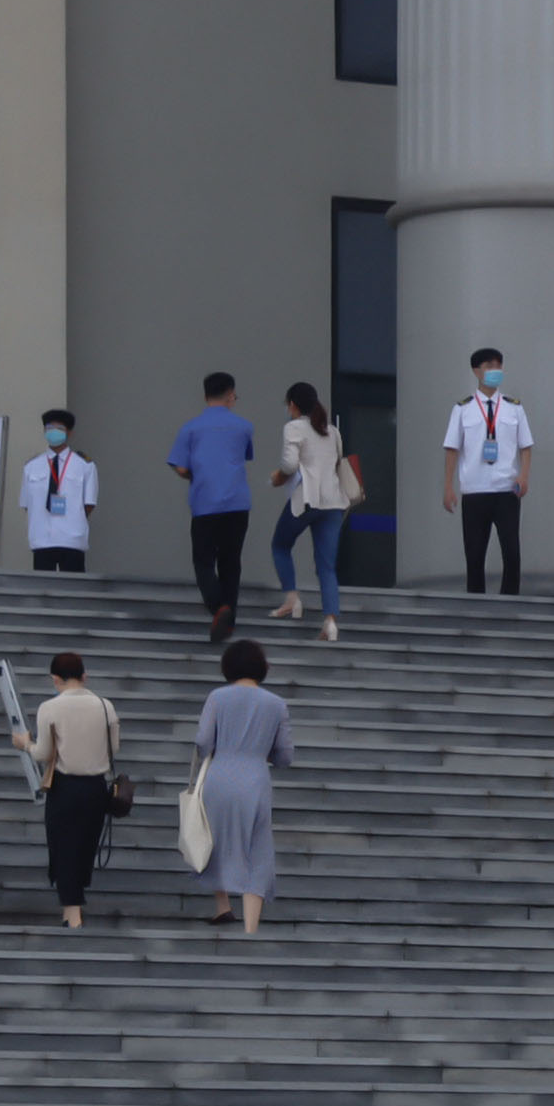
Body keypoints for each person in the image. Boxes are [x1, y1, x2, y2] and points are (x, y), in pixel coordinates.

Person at [190, 639, 294, 932]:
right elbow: (285, 755)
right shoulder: (276, 704)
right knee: (257, 848)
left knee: (214, 838)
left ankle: (222, 906)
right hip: (255, 778)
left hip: (220, 775)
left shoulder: (217, 697)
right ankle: (251, 926)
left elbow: (202, 741)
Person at [15, 653, 121, 930]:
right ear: (84, 677)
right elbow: (115, 748)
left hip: (65, 787)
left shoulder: (50, 707)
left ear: (55, 679)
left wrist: (25, 744)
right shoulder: (105, 705)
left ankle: (73, 915)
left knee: (64, 848)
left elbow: (43, 753)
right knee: (85, 846)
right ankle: (70, 911)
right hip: (97, 787)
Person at [166, 373, 258, 642]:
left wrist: (194, 475)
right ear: (230, 394)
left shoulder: (190, 429)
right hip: (237, 503)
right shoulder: (244, 427)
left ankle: (219, 608)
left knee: (204, 561)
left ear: (206, 395)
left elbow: (180, 466)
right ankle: (230, 619)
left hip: (205, 502)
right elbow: (243, 456)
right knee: (231, 561)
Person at [441, 348, 531, 595]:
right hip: (474, 490)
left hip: (506, 489)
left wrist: (523, 475)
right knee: (474, 554)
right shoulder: (463, 408)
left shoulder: (514, 407)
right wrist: (448, 487)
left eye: (498, 366)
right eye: (489, 366)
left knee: (512, 552)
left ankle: (510, 601)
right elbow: (452, 449)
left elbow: (526, 446)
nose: (495, 371)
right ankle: (476, 603)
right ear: (476, 371)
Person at [265, 383, 347, 643]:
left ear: (293, 405)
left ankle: (292, 599)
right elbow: (336, 462)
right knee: (326, 566)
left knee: (280, 544)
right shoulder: (331, 431)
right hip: (333, 502)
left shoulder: (294, 427)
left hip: (307, 500)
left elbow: (289, 464)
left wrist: (278, 477)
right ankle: (330, 621)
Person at [20, 411, 100, 572]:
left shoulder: (84, 465)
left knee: (73, 590)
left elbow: (89, 504)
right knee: (43, 591)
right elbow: (27, 504)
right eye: (49, 428)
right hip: (42, 538)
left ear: (69, 432)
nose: (53, 432)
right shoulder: (32, 466)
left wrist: (72, 520)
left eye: (59, 428)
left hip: (72, 539)